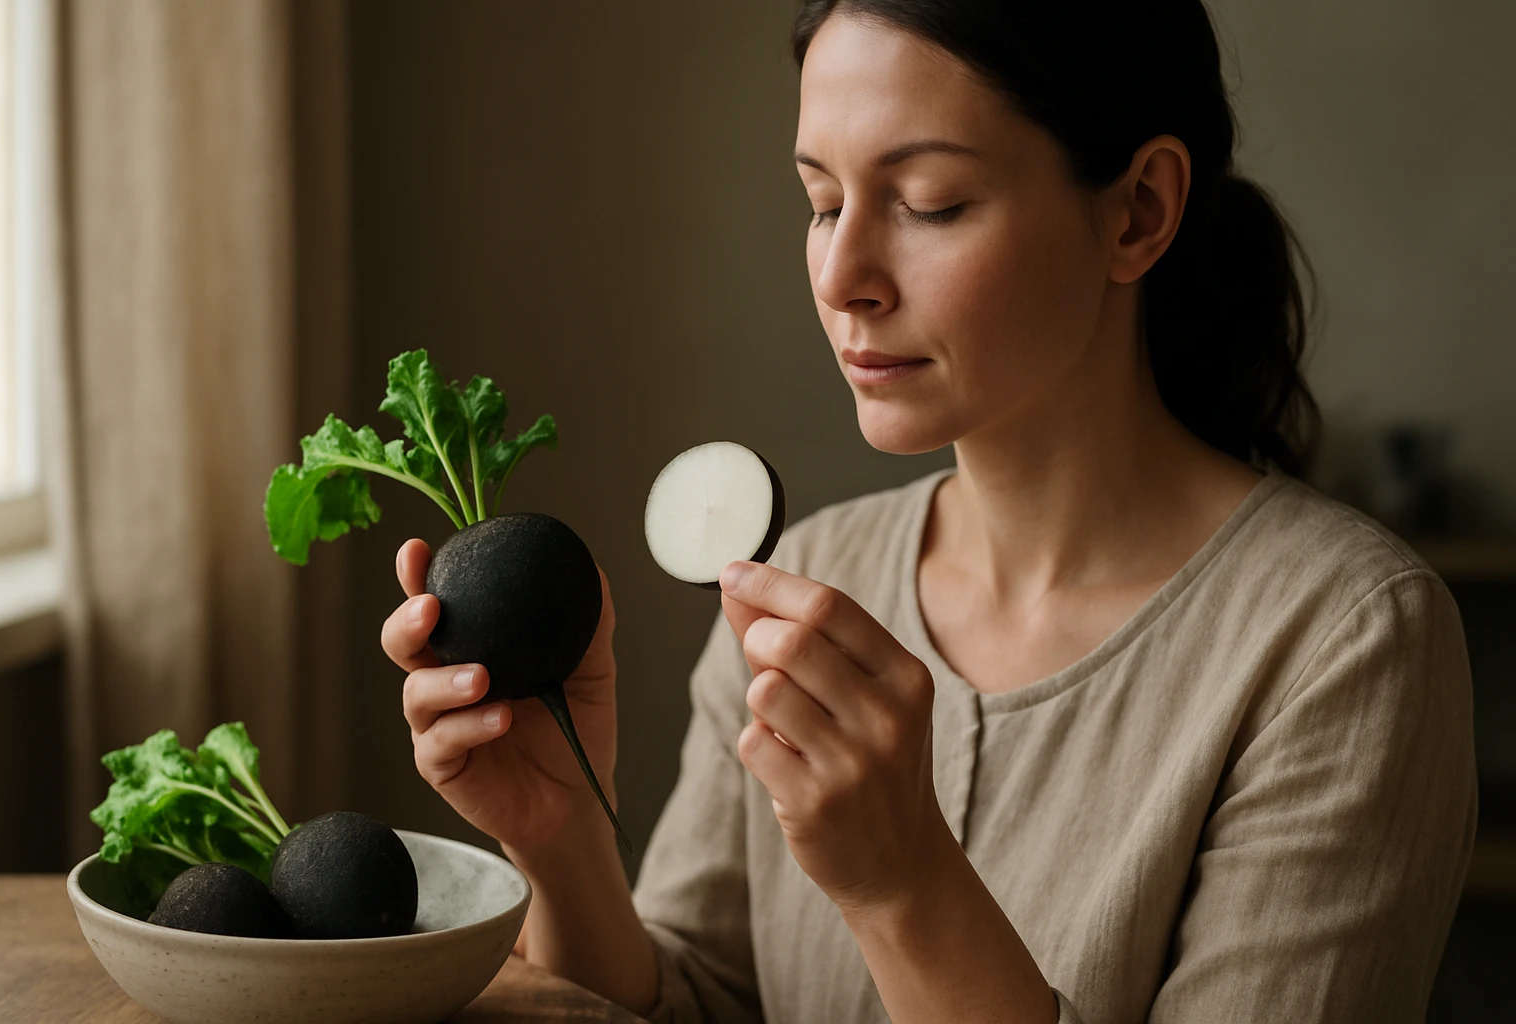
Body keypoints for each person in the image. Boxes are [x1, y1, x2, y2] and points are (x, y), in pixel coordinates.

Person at [381, 2, 1478, 1021]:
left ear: (1138, 211)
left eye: (928, 203)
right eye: (821, 202)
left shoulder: (1346, 639)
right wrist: (564, 838)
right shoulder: (816, 573)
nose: (843, 272)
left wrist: (902, 881)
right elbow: (696, 997)